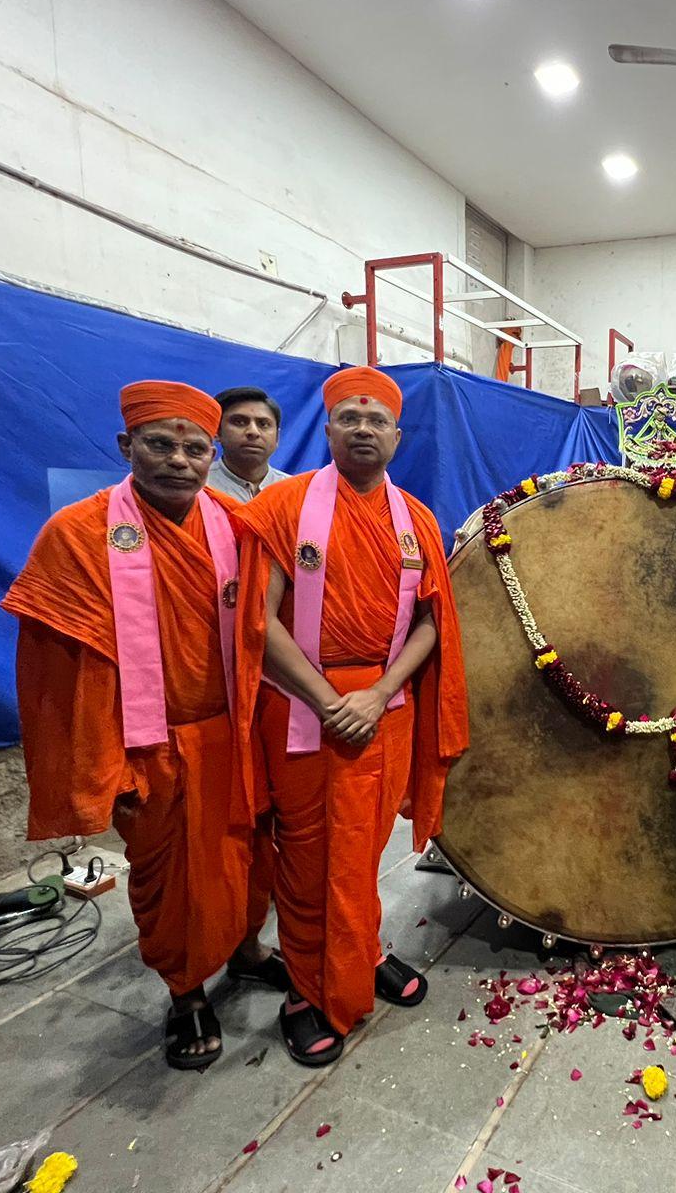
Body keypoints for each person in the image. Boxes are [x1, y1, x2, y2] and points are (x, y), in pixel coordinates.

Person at [2, 381, 279, 1071]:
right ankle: (185, 992)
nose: (179, 460)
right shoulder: (77, 535)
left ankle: (246, 952)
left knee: (249, 859)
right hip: (150, 745)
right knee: (170, 880)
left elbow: (263, 632)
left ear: (209, 453)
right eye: (161, 443)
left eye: (194, 447)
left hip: (236, 735)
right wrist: (103, 764)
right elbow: (58, 671)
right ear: (127, 446)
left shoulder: (235, 525)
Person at [232, 365, 468, 1066]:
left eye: (377, 419)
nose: (363, 429)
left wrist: (377, 692)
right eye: (349, 417)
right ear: (327, 428)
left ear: (397, 434)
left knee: (361, 856)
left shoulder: (416, 519)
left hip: (382, 708)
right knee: (308, 861)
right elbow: (259, 619)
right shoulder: (284, 507)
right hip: (304, 708)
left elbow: (431, 623)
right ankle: (307, 991)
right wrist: (329, 701)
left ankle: (360, 953)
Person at [208, 386, 292, 501]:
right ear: (217, 431)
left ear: (277, 437)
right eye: (239, 422)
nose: (253, 431)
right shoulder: (198, 487)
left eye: (263, 424)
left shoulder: (296, 491)